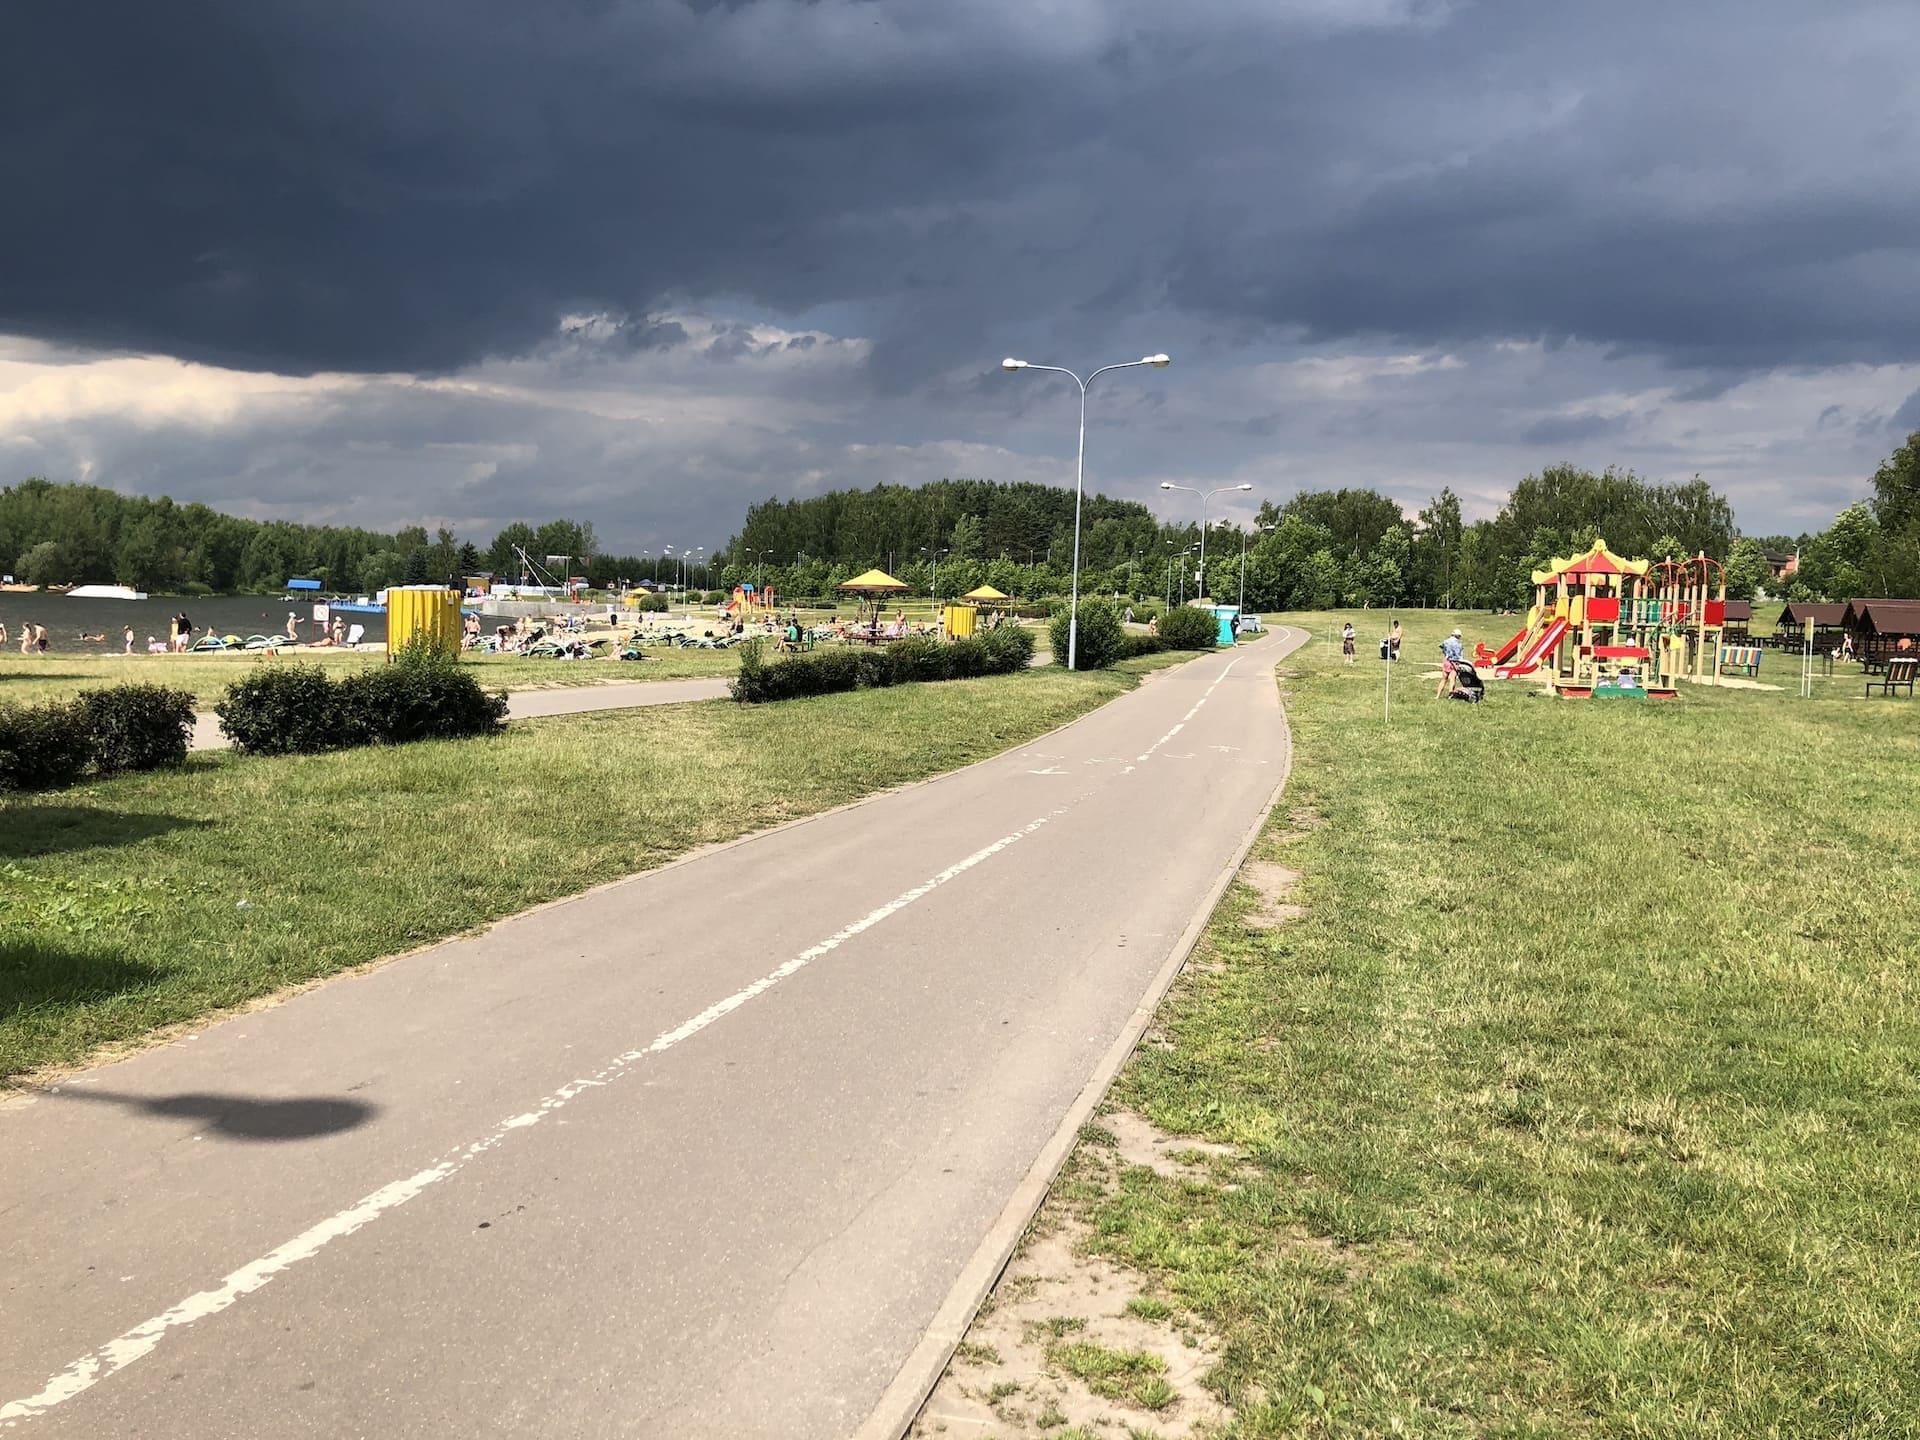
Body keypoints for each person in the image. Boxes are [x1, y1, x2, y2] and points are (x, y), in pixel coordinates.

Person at [1438, 627, 1465, 698]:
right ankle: (1450, 695)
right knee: (1452, 679)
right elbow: (1460, 655)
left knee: (1444, 679)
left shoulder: (1446, 641)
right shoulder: (1459, 644)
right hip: (1455, 662)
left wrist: (1445, 653)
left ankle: (1438, 696)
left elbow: (1441, 646)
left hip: (1447, 661)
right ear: (1458, 636)